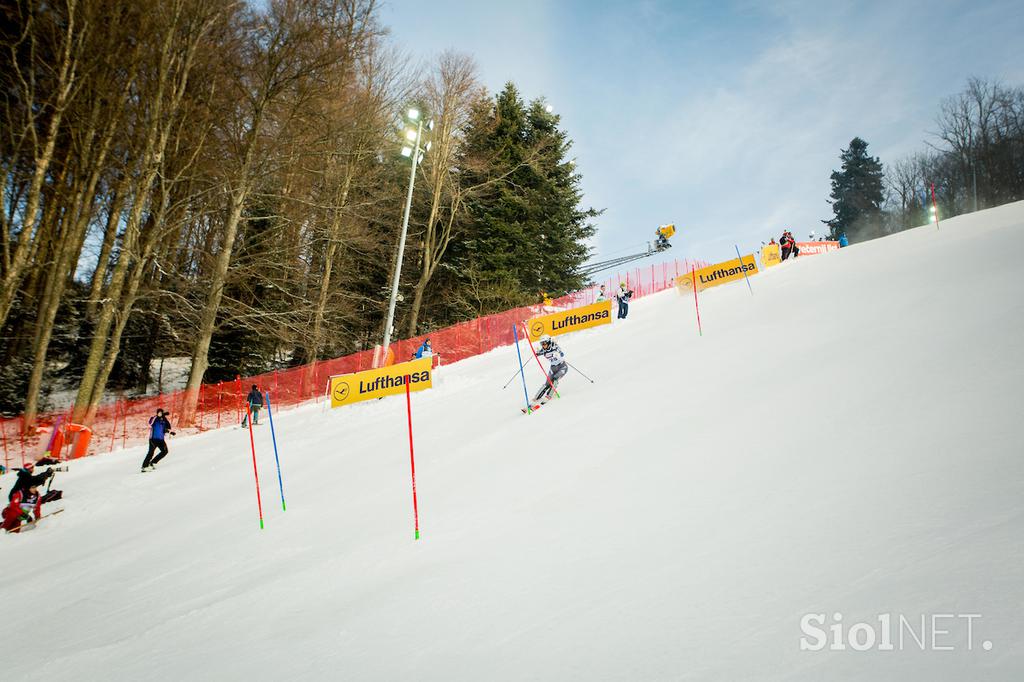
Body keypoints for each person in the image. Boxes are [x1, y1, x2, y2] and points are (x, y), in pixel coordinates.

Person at [533, 335, 568, 404]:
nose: (543, 345)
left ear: (548, 342)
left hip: (562, 367)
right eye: (542, 344)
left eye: (544, 343)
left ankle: (549, 395)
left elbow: (561, 353)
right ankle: (536, 397)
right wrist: (536, 353)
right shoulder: (543, 350)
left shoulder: (554, 347)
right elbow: (538, 354)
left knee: (555, 379)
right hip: (553, 368)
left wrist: (559, 353)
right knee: (547, 383)